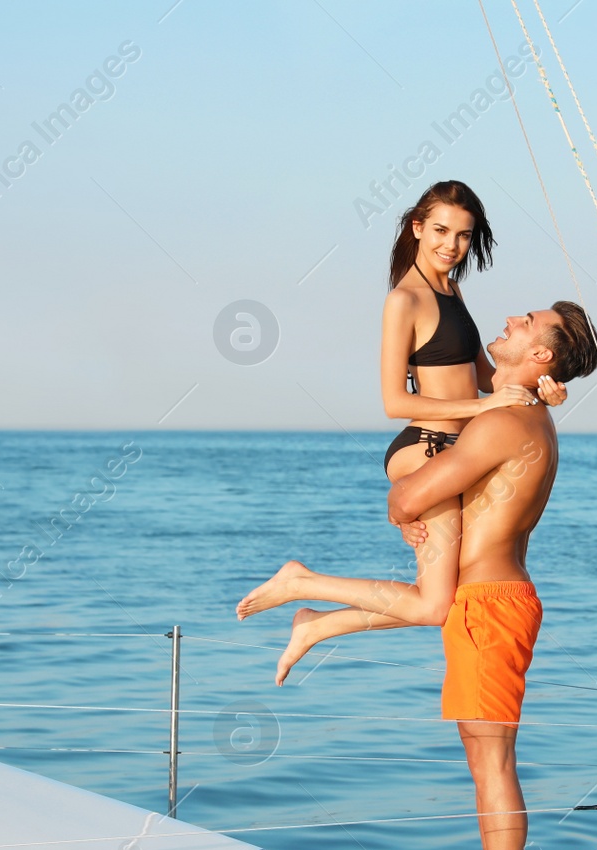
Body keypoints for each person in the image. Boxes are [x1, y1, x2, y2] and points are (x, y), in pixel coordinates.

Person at [236, 180, 564, 683]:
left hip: (452, 448)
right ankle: (303, 585)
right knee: (435, 606)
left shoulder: (451, 290)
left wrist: (542, 390)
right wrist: (486, 407)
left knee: (437, 601)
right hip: (424, 447)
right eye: (439, 230)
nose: (450, 246)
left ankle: (314, 624)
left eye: (462, 236)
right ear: (416, 228)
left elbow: (484, 378)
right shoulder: (404, 300)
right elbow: (395, 401)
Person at [386, 299, 597, 850]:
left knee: (495, 763)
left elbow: (407, 497)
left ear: (541, 355)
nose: (513, 316)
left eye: (527, 321)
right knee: (484, 762)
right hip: (487, 602)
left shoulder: (505, 422)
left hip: (491, 605)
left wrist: (406, 503)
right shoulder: (520, 411)